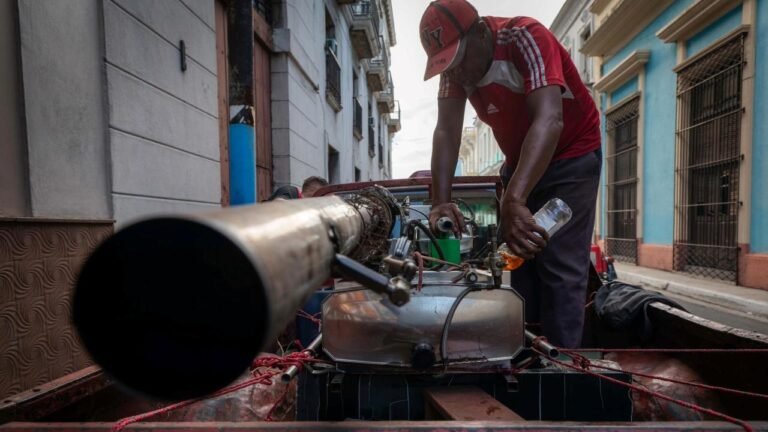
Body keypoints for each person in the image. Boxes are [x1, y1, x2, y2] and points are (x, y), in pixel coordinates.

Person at [420, 0, 601, 348]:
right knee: (518, 263)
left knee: (560, 268)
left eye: (458, 60)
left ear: (482, 31)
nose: (455, 72)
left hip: (572, 156)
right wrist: (440, 202)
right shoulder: (456, 72)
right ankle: (524, 357)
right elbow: (446, 131)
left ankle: (561, 370)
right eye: (447, 65)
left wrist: (514, 199)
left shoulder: (524, 37)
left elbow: (549, 119)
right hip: (521, 163)